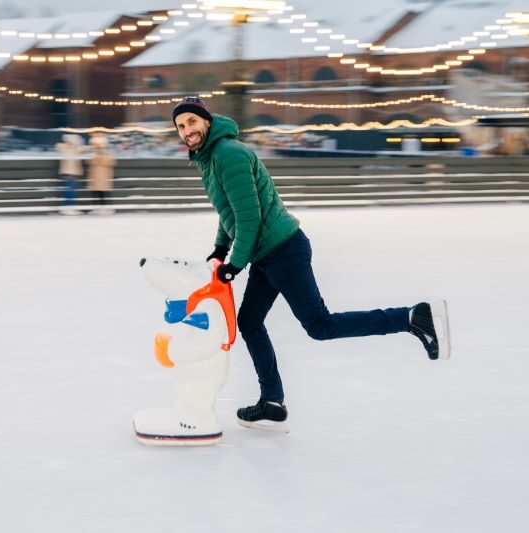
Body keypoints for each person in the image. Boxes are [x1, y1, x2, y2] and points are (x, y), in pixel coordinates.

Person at [171, 97, 451, 432]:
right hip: (266, 253)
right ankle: (273, 403)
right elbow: (229, 210)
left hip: (283, 250)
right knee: (249, 321)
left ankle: (413, 317)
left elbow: (250, 217)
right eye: (181, 126)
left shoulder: (228, 154)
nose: (187, 130)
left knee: (320, 325)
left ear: (206, 120)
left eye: (191, 121)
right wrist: (220, 246)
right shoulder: (210, 158)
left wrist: (234, 264)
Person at [55, 134, 85, 215]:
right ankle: (67, 208)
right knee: (69, 191)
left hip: (74, 174)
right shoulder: (65, 149)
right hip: (67, 174)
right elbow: (58, 146)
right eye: (72, 142)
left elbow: (85, 148)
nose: (73, 144)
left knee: (73, 192)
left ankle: (70, 207)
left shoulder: (75, 150)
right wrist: (66, 144)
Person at [86, 133, 116, 214]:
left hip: (103, 176)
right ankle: (96, 208)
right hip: (95, 176)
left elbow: (110, 162)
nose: (96, 145)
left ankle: (107, 208)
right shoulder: (93, 152)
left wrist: (98, 157)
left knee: (104, 192)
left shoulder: (107, 152)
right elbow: (90, 162)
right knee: (95, 192)